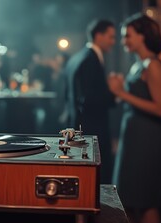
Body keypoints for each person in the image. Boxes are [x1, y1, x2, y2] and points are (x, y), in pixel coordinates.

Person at [107, 14, 161, 223]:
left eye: (127, 36)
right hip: (134, 135)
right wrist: (122, 91)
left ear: (142, 36)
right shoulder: (138, 64)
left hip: (147, 137)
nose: (123, 41)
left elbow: (160, 108)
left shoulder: (153, 65)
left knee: (146, 201)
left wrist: (121, 93)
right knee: (129, 201)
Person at [65, 19, 116, 184]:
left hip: (79, 125)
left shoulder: (77, 57)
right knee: (94, 180)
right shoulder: (90, 59)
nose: (113, 42)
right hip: (92, 128)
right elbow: (88, 99)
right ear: (98, 35)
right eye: (111, 37)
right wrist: (114, 93)